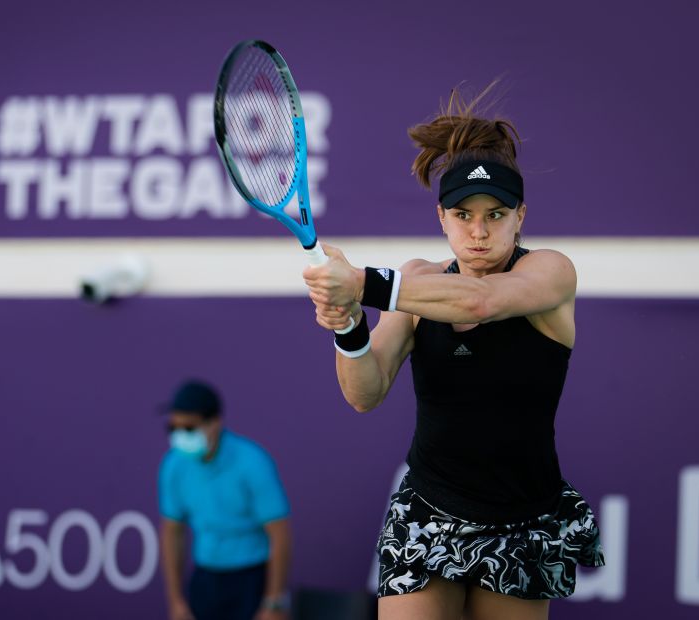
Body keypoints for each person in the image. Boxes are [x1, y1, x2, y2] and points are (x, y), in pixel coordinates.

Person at [302, 85, 605, 620]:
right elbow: (364, 393)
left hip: (523, 515)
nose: (479, 230)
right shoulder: (416, 280)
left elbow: (481, 301)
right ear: (442, 219)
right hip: (427, 506)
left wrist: (359, 282)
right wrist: (348, 324)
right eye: (463, 214)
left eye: (496, 214)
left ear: (521, 217)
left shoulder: (551, 272)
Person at [157, 380, 292, 620]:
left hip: (251, 579)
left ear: (215, 424)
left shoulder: (252, 462)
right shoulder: (173, 465)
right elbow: (172, 532)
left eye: (189, 429)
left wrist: (273, 602)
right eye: (173, 429)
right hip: (205, 578)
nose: (180, 437)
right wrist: (176, 601)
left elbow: (279, 533)